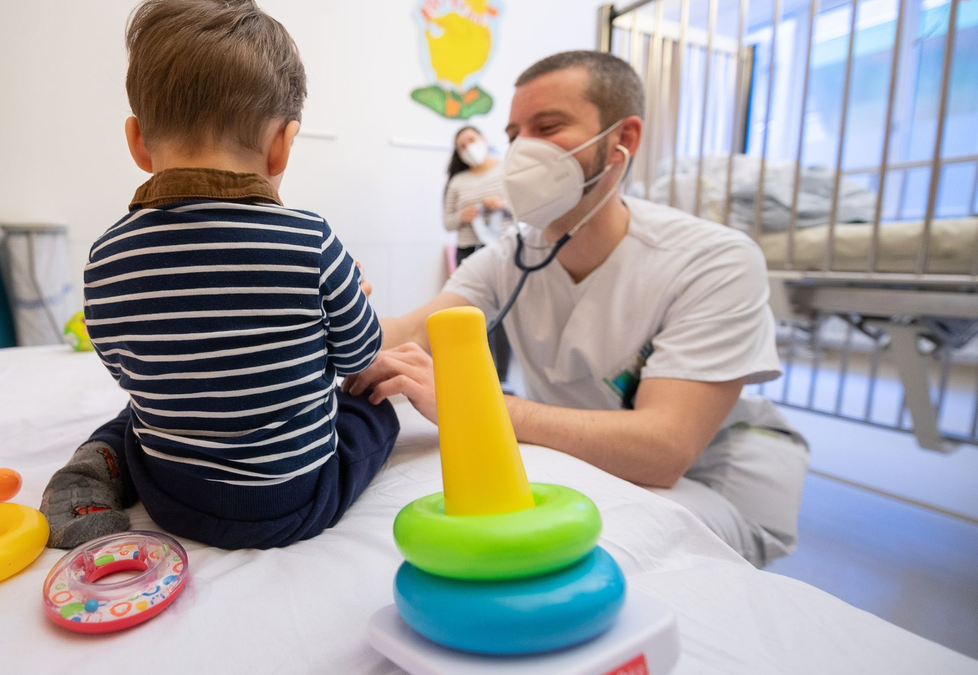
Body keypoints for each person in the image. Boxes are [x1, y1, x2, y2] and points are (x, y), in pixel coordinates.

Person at [345, 51, 808, 568]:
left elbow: (664, 450)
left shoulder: (713, 260)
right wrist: (325, 306)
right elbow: (411, 330)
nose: (523, 150)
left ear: (622, 140)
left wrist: (471, 403)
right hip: (584, 457)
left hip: (711, 479)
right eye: (516, 133)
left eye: (549, 127)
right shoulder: (509, 256)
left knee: (570, 548)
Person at [39, 0, 399, 551]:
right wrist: (352, 303)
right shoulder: (310, 240)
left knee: (142, 411)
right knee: (372, 410)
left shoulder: (105, 255)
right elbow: (358, 356)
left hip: (171, 496)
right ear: (282, 144)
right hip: (293, 501)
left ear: (137, 141)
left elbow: (125, 368)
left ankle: (101, 464)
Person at [443, 126, 513, 381]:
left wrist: (503, 206)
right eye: (461, 146)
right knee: (474, 316)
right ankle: (480, 374)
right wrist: (461, 217)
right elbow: (447, 222)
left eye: (471, 140)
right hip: (468, 252)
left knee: (503, 317)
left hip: (502, 251)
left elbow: (525, 209)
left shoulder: (507, 169)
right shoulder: (457, 182)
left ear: (484, 138)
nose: (468, 147)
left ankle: (502, 378)